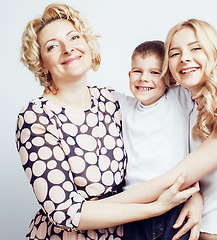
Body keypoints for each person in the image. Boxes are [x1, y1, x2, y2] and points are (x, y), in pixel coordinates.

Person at [16, 3, 198, 240]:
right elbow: (64, 213)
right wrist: (156, 207)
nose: (68, 48)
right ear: (41, 62)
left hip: (125, 234)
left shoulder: (109, 100)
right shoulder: (36, 117)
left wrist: (195, 196)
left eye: (74, 37)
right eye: (52, 46)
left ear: (87, 45)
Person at [107, 19, 217, 240]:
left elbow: (177, 177)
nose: (185, 58)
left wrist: (96, 210)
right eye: (175, 53)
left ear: (214, 51)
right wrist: (195, 198)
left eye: (196, 48)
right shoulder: (187, 106)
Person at [116, 40, 203, 240]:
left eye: (155, 72)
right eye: (137, 71)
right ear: (129, 75)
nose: (144, 78)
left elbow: (210, 77)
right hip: (134, 210)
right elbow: (85, 94)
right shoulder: (123, 105)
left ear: (170, 78)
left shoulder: (179, 98)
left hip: (175, 207)